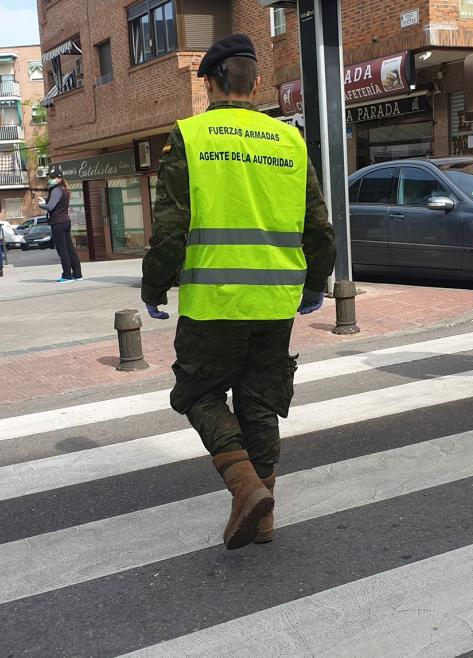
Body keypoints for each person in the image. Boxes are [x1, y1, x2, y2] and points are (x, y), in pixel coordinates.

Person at [142, 34, 336, 550]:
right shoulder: (289, 140)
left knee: (198, 393)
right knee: (259, 402)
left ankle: (244, 486)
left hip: (213, 301)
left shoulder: (191, 135)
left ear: (210, 80)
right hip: (275, 302)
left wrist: (154, 285)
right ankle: (263, 518)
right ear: (254, 81)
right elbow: (318, 224)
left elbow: (170, 226)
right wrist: (316, 283)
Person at [38, 167, 81, 282]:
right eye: (49, 177)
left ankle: (66, 275)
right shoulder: (64, 189)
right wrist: (46, 201)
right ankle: (77, 274)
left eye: (52, 177)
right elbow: (56, 204)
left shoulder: (56, 190)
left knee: (63, 251)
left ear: (59, 178)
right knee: (70, 249)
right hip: (66, 221)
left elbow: (50, 207)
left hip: (58, 222)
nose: (50, 179)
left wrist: (42, 204)